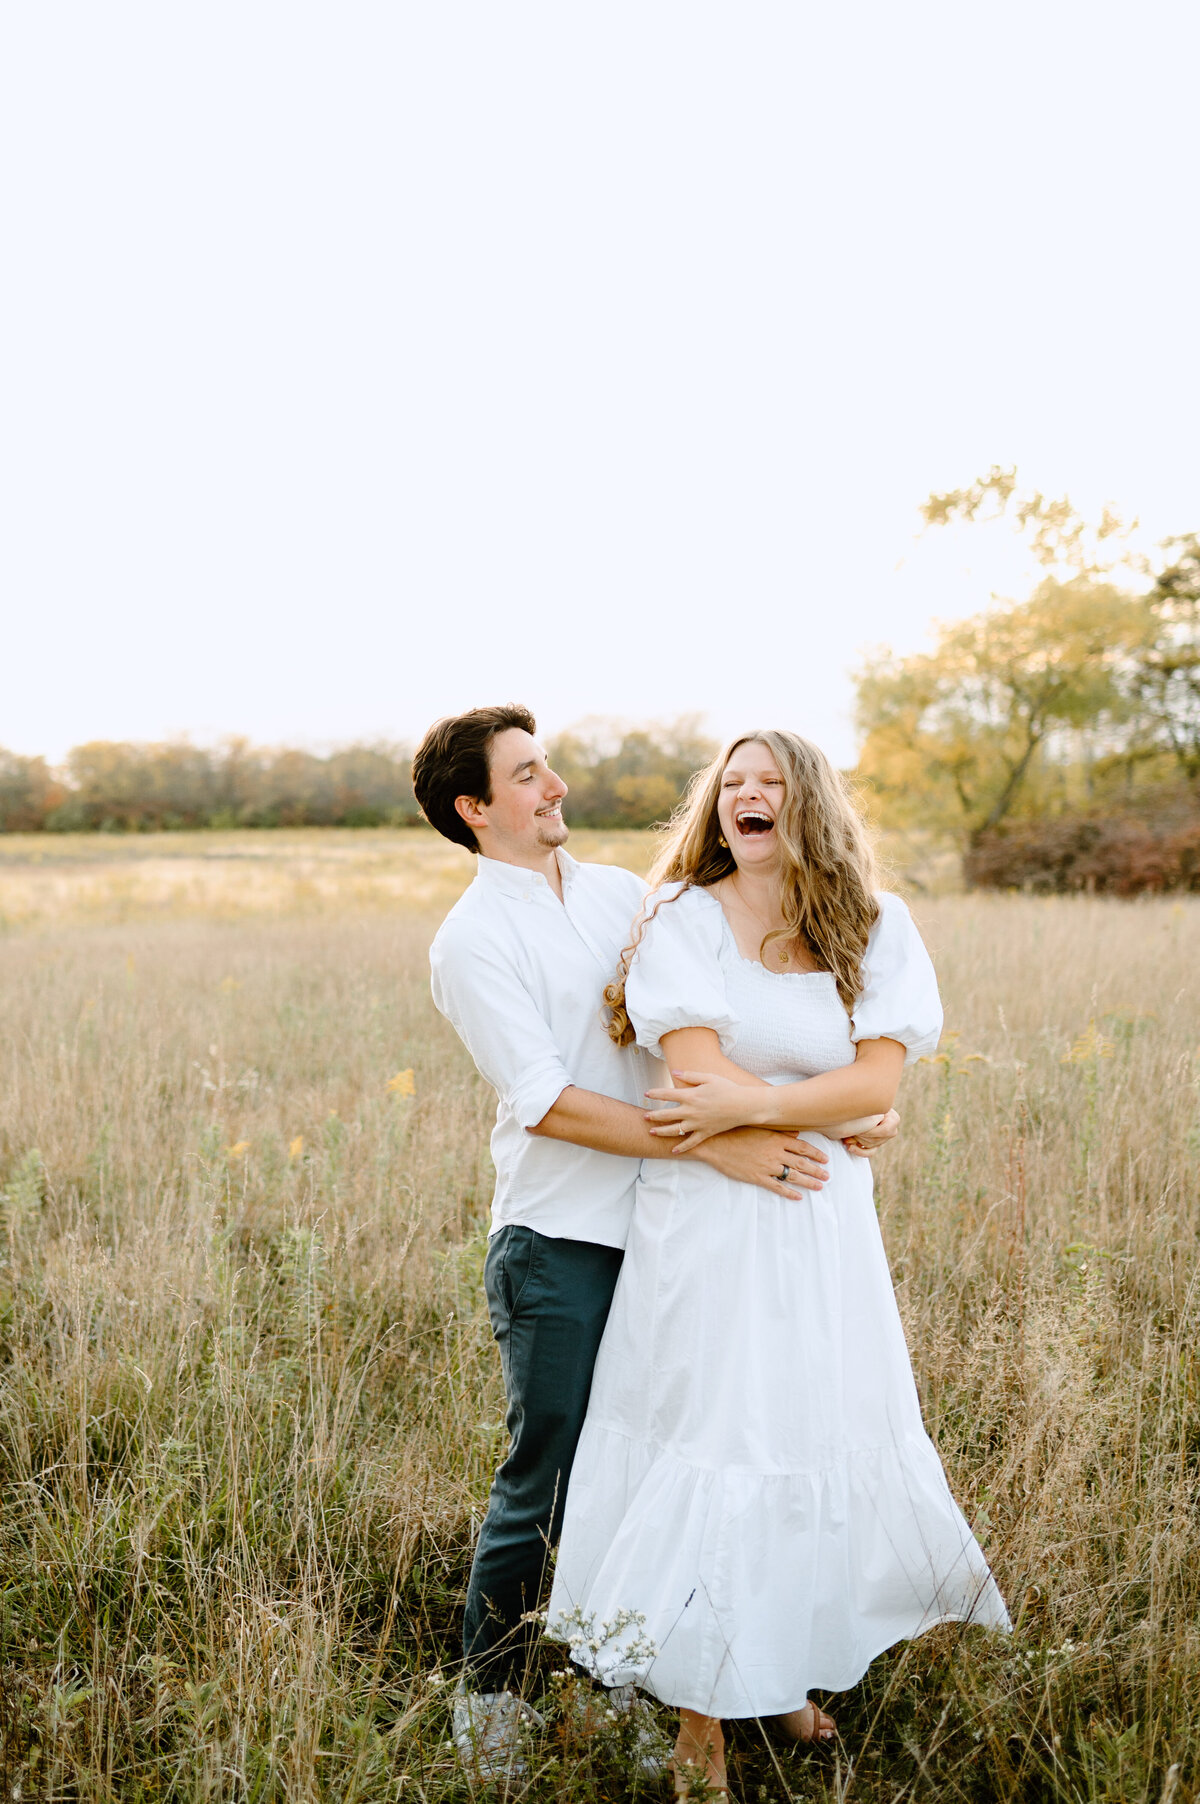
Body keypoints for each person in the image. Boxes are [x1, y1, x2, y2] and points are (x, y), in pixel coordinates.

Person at [412, 705, 900, 1778]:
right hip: (565, 1233)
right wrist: (715, 1148)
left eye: (548, 768)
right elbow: (548, 1102)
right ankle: (490, 1698)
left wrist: (825, 1111)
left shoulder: (624, 896)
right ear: (475, 807)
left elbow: (712, 1040)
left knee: (664, 1463)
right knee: (551, 1472)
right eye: (529, 776)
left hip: (675, 1233)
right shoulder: (472, 940)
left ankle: (665, 1677)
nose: (557, 787)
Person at [546, 729, 1011, 1797]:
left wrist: (769, 1105)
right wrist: (817, 1102)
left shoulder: (876, 924)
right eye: (732, 785)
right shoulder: (679, 921)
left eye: (773, 785)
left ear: (813, 806)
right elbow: (697, 1076)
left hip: (822, 1224)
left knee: (811, 1426)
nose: (747, 798)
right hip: (708, 1222)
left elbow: (874, 1083)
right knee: (725, 1435)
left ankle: (783, 1671)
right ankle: (701, 1721)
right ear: (716, 808)